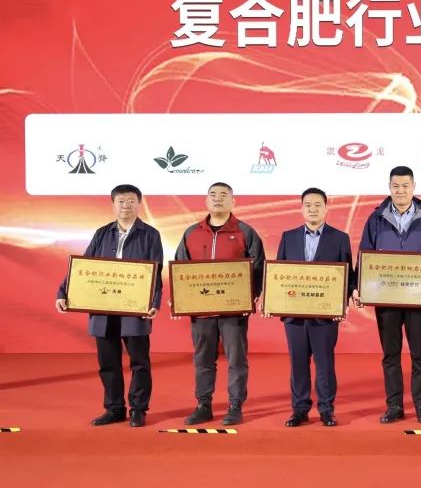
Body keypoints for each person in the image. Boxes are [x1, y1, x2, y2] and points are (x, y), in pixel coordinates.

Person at [55, 184, 164, 428]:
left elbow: (156, 270)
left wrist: (154, 302)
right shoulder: (102, 233)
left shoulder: (150, 235)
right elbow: (83, 266)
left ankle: (138, 409)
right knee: (108, 363)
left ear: (139, 204)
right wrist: (63, 292)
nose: (126, 206)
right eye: (121, 201)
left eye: (131, 201)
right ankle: (114, 408)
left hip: (135, 308)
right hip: (103, 307)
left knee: (139, 362)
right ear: (113, 204)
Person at [358, 166, 421, 424]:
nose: (401, 191)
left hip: (418, 298)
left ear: (413, 187)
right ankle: (394, 406)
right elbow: (365, 255)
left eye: (405, 186)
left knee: (420, 354)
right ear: (389, 187)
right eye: (396, 186)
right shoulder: (376, 219)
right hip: (386, 299)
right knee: (390, 355)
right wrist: (360, 286)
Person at [175, 182, 265, 426]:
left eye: (224, 195)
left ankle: (235, 406)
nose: (218, 198)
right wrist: (180, 299)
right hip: (201, 311)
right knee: (203, 359)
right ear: (206, 201)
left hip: (234, 311)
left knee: (236, 359)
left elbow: (258, 267)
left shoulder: (246, 232)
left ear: (233, 201)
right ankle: (203, 405)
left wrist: (253, 295)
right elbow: (180, 267)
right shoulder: (191, 233)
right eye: (213, 195)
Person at [272, 187, 354, 428]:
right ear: (301, 208)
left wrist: (345, 300)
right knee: (298, 363)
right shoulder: (288, 237)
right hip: (294, 315)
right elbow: (278, 273)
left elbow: (348, 276)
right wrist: (272, 301)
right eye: (308, 205)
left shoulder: (340, 238)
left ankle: (327, 410)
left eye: (318, 205)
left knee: (325, 364)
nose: (313, 209)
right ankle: (299, 410)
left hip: (325, 315)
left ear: (326, 208)